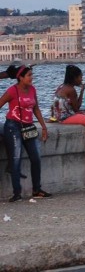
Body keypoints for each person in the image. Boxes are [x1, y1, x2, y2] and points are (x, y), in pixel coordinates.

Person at [0, 66, 49, 201]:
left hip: (28, 126)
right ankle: (17, 193)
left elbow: (36, 109)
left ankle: (37, 189)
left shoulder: (33, 90)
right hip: (13, 126)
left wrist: (44, 127)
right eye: (28, 75)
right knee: (16, 159)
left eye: (32, 75)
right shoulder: (12, 90)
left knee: (36, 158)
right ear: (20, 77)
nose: (31, 78)